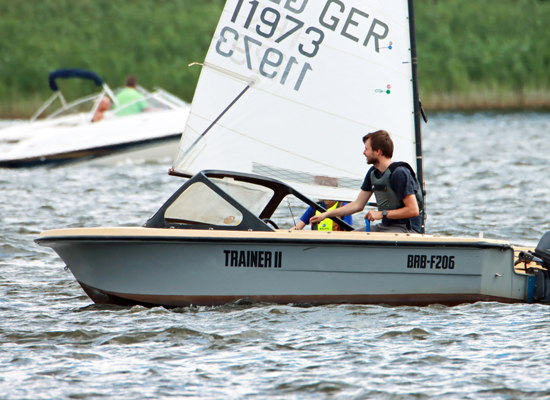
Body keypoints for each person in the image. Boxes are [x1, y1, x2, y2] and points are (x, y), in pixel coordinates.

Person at [310, 130, 423, 233]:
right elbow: (358, 205)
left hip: (406, 229)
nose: (364, 152)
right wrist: (327, 214)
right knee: (349, 237)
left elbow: (413, 210)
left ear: (378, 151)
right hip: (385, 227)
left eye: (367, 149)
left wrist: (381, 214)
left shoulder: (399, 173)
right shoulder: (373, 172)